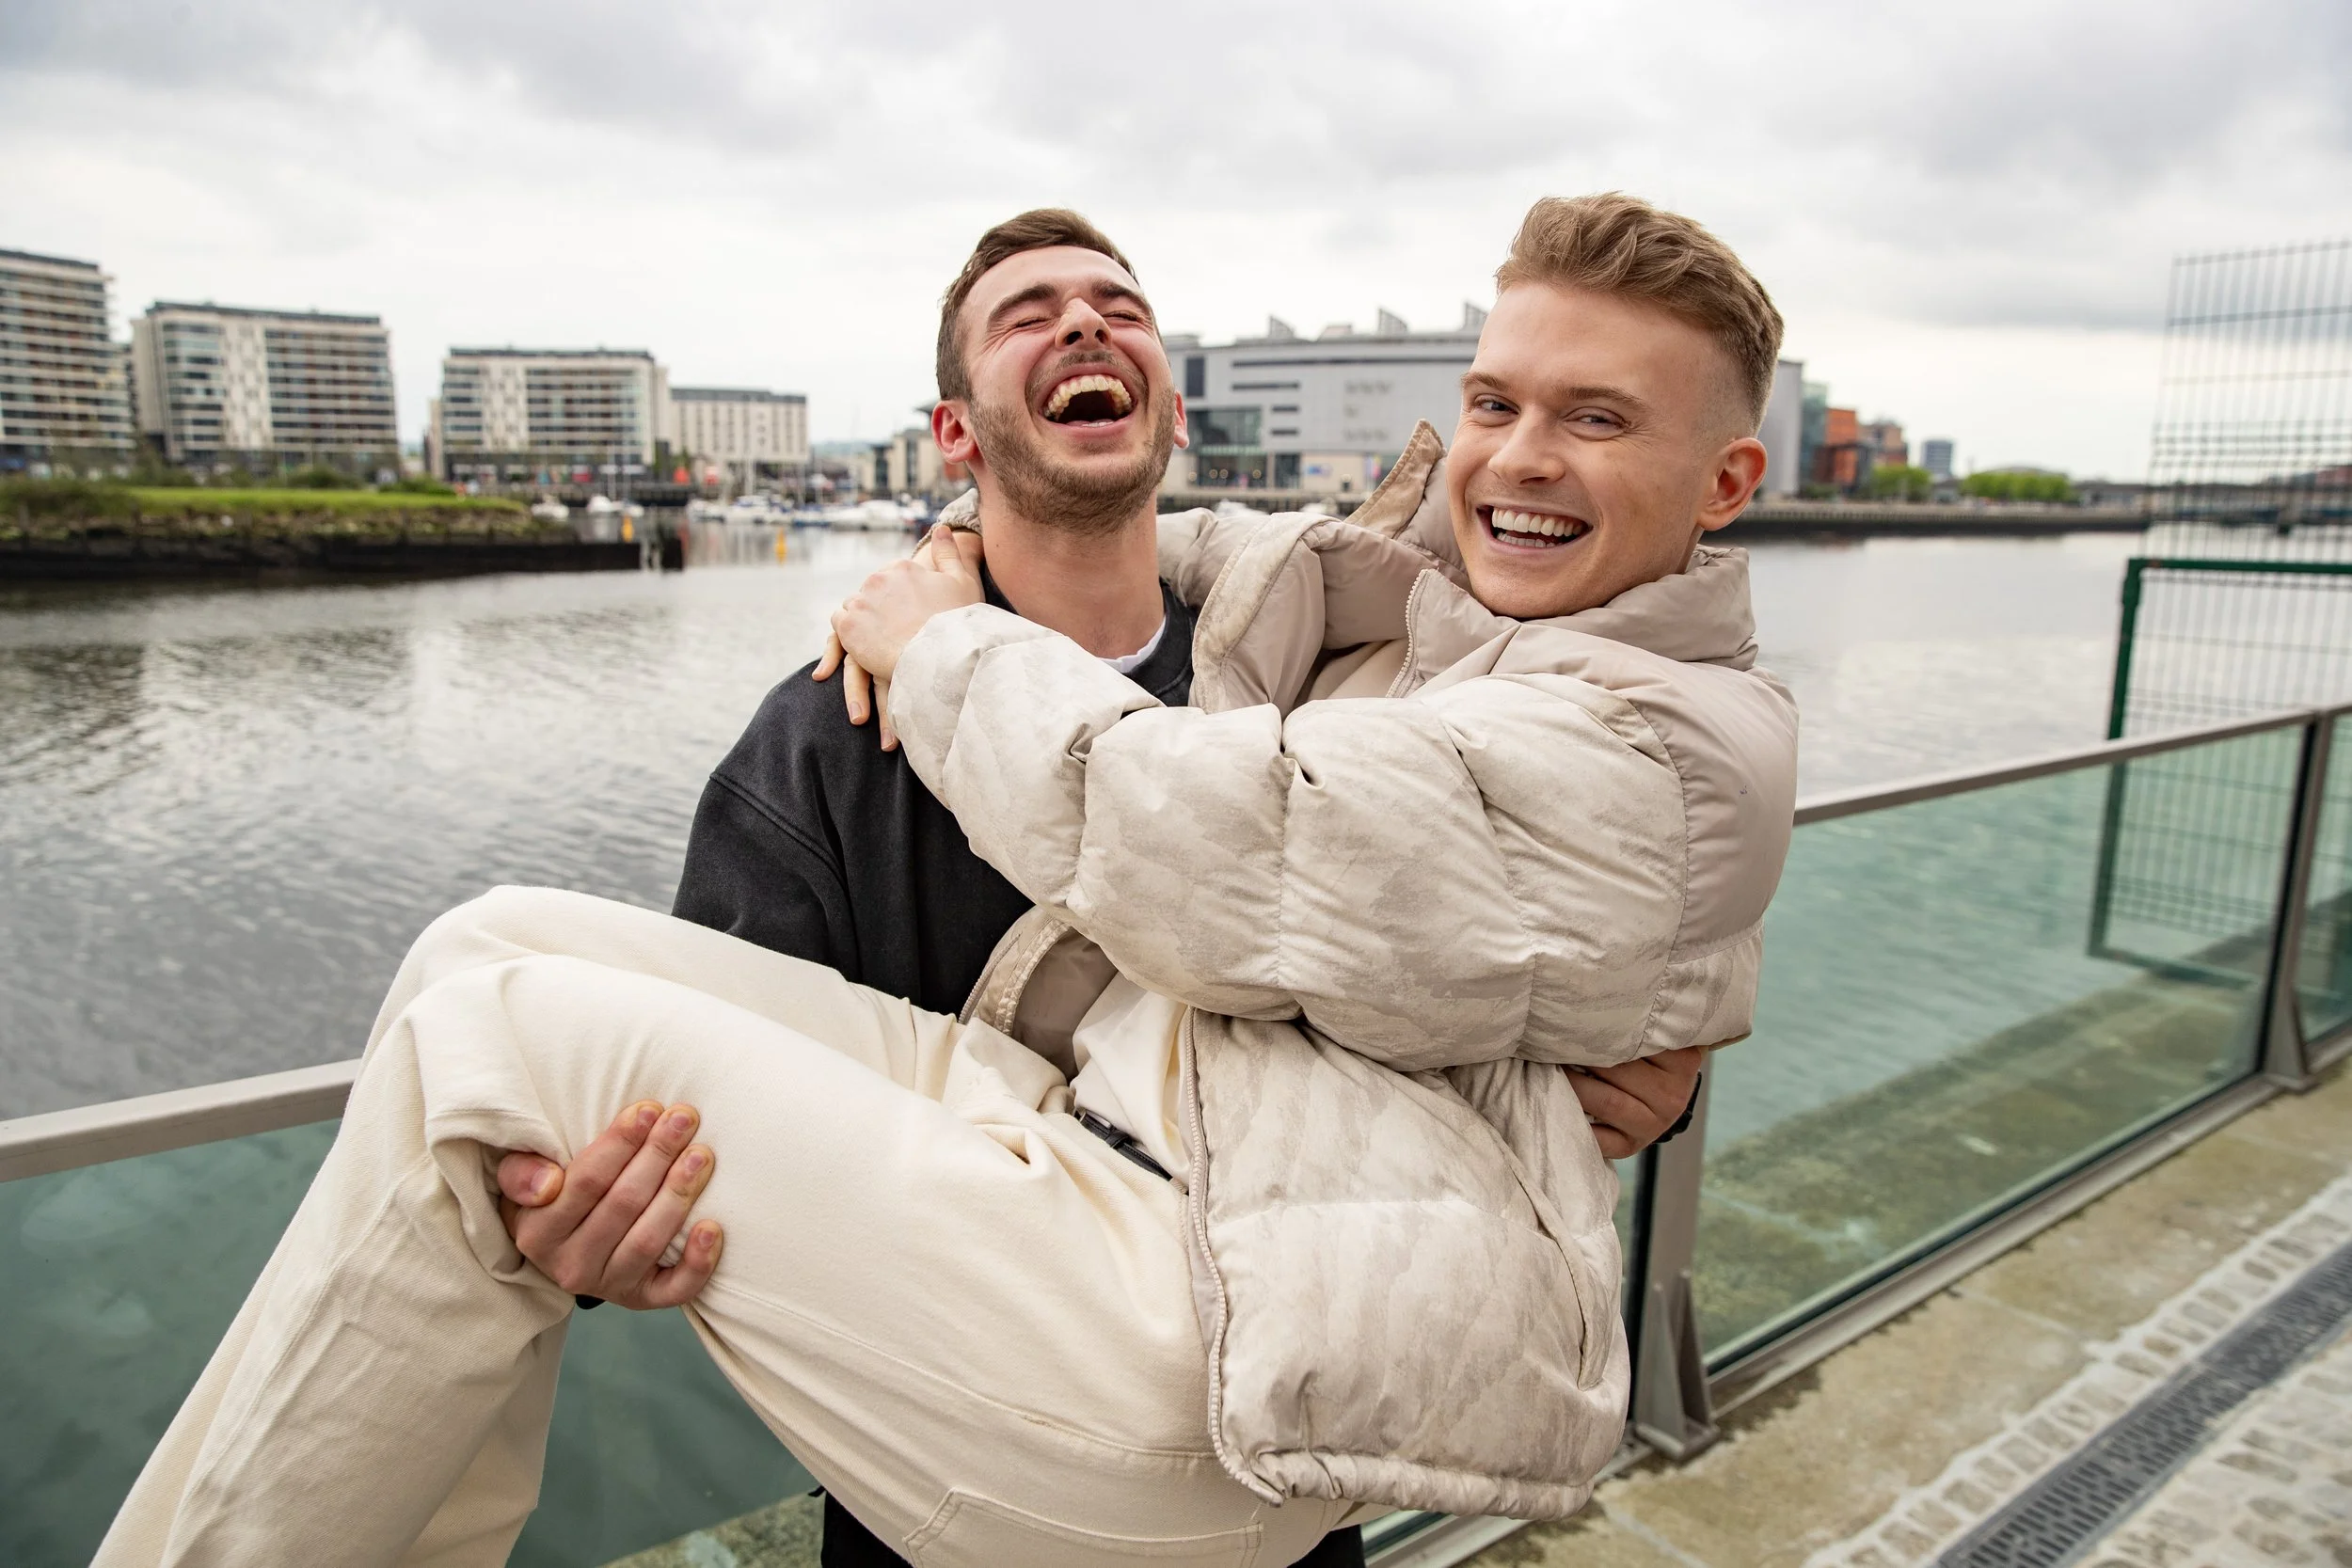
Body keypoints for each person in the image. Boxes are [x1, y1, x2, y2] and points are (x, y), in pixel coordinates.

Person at [97, 193, 1796, 1568]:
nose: (1517, 453)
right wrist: (589, 1229)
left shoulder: (1468, 713)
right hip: (1016, 1274)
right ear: (957, 428)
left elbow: (1242, 836)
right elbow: (674, 1176)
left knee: (504, 1047)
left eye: (1595, 417)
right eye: (1494, 403)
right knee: (482, 957)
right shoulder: (834, 747)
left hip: (1194, 1319)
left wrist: (940, 637)